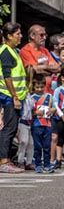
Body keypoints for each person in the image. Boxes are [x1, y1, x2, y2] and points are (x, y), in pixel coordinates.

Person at [0, 23, 28, 173]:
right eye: (17, 34)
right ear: (9, 36)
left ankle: (7, 160)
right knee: (8, 128)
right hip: (8, 97)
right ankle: (3, 161)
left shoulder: (13, 51)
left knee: (12, 128)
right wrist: (15, 97)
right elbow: (7, 76)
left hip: (14, 97)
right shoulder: (6, 51)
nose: (20, 36)